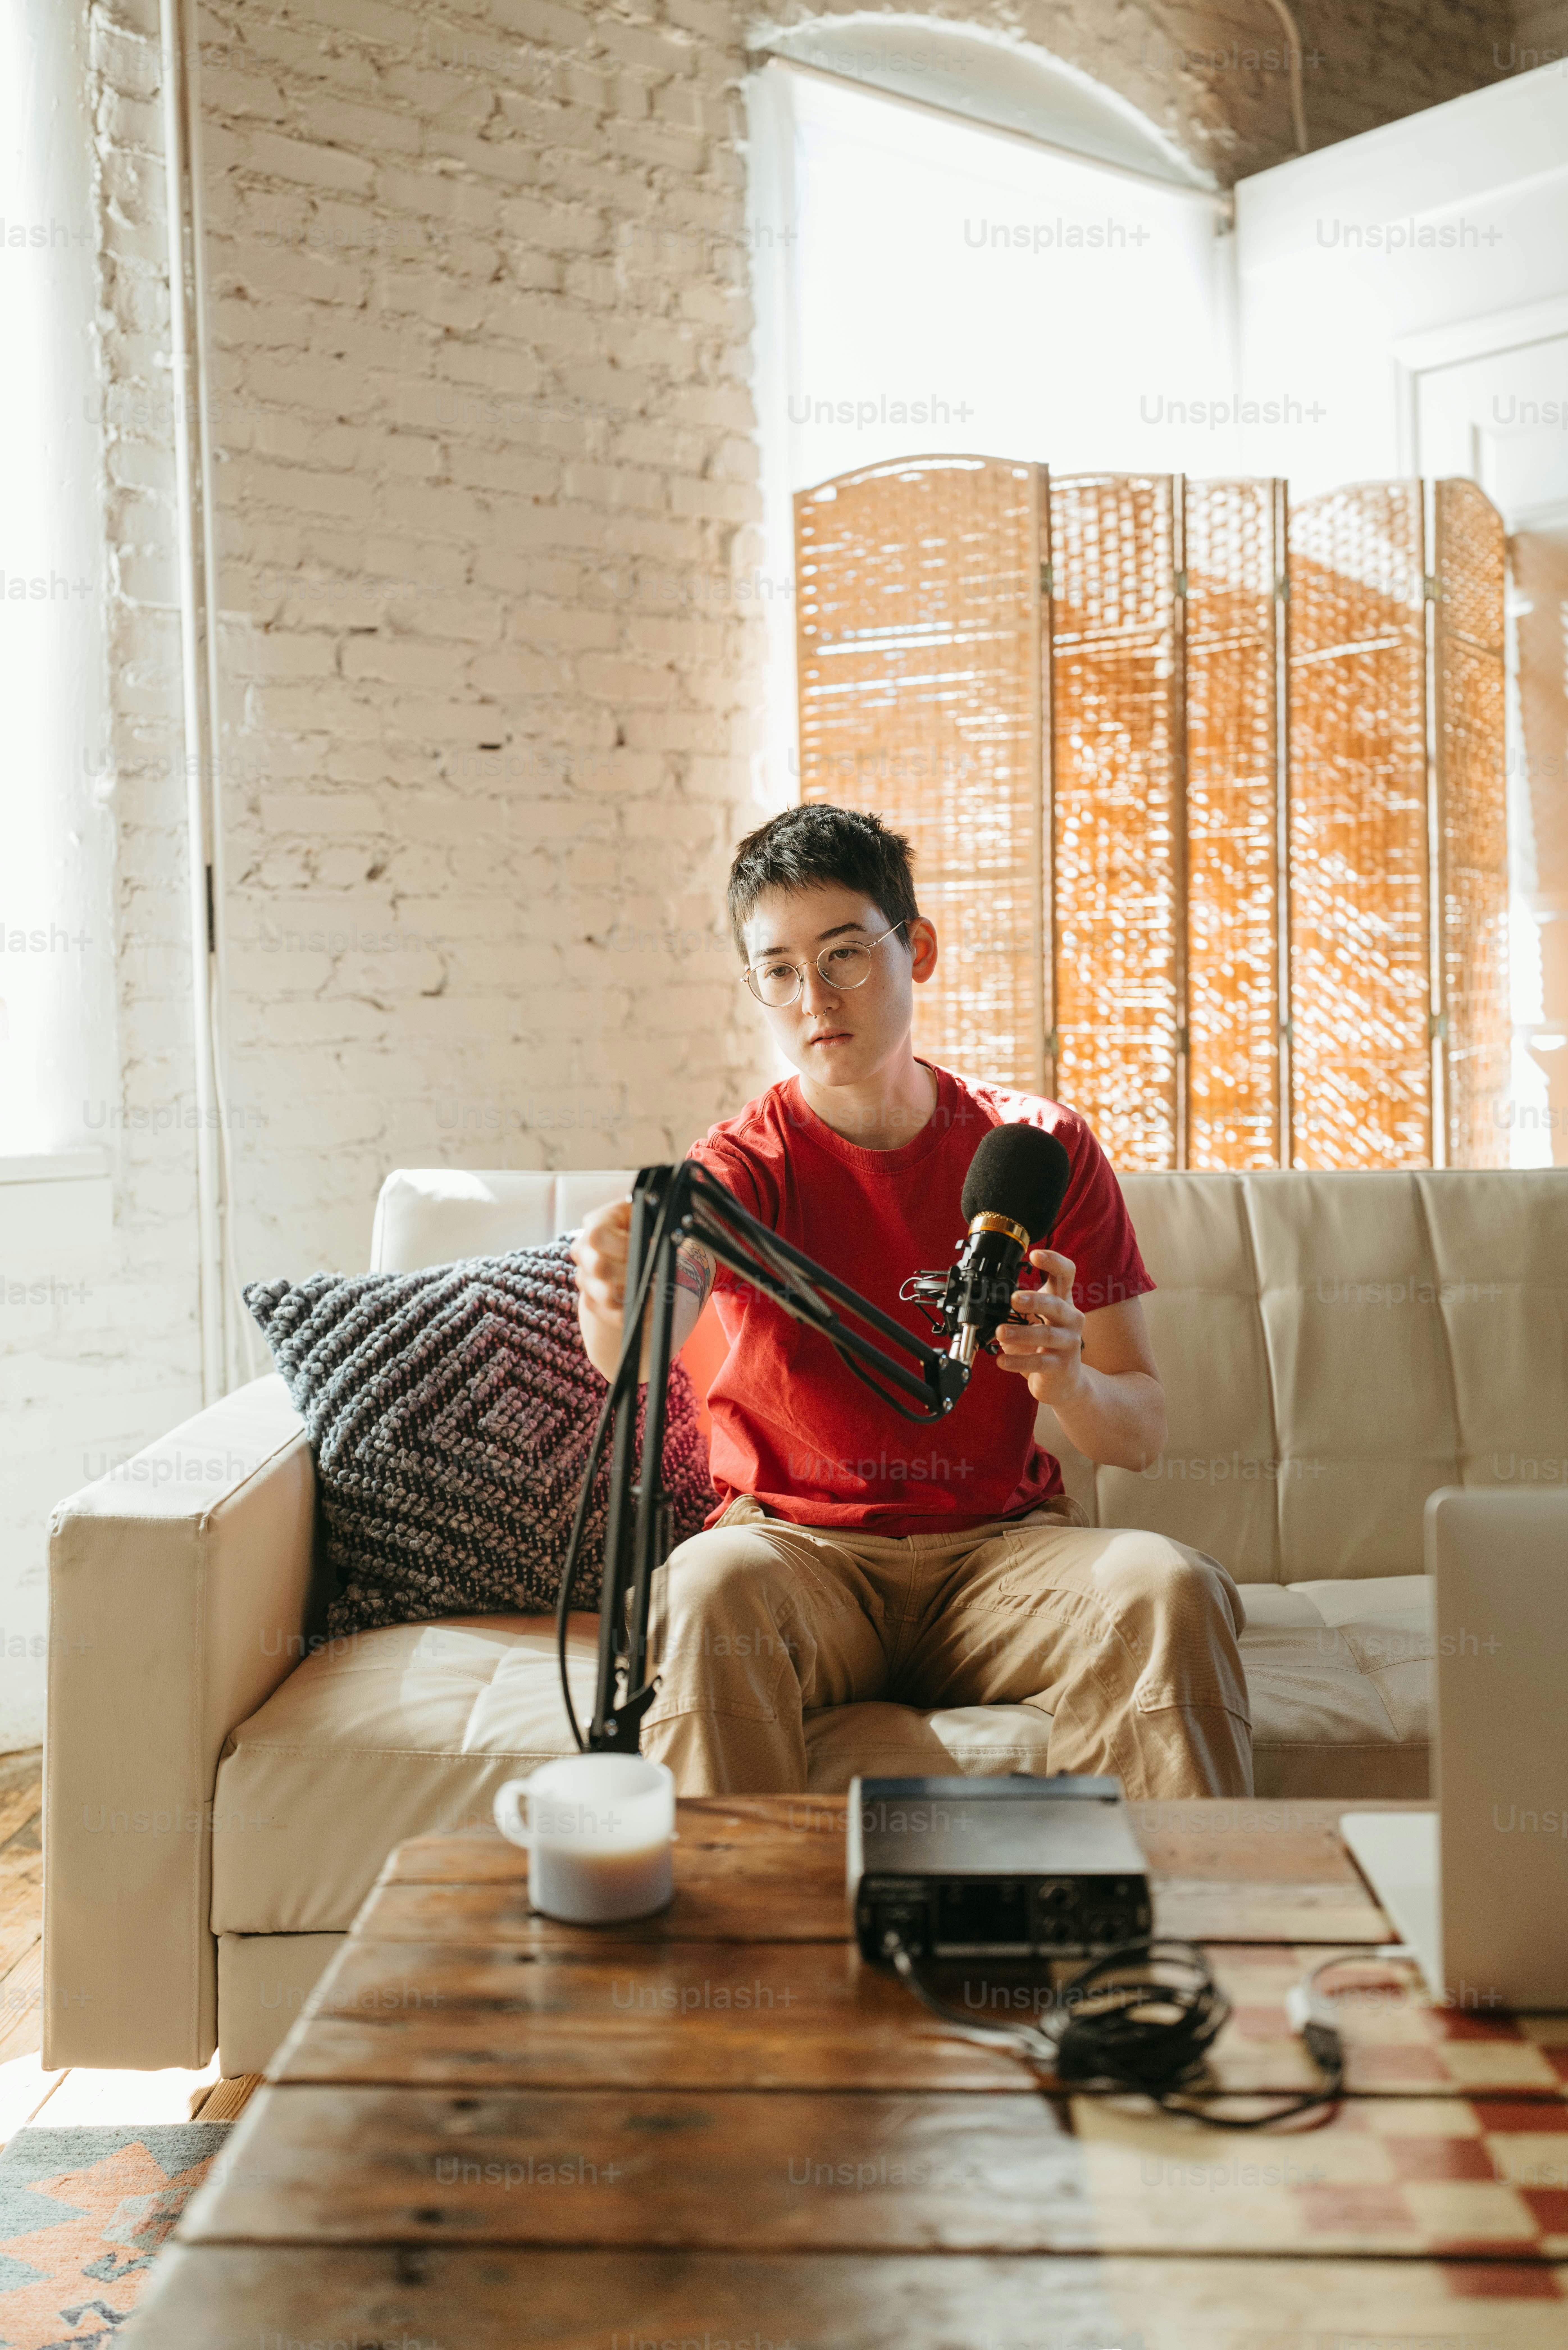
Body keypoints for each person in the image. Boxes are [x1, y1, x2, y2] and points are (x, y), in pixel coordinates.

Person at [571, 805, 1250, 1799]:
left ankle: (1154, 1897)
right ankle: (741, 1906)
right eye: (779, 971)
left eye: (844, 955)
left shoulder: (1038, 1149)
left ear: (916, 949)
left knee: (1169, 1587)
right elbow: (640, 1348)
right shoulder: (739, 1167)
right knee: (706, 1590)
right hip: (798, 1558)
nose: (815, 999)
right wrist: (613, 1295)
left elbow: (1139, 1434)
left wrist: (1067, 1380)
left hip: (1001, 1561)